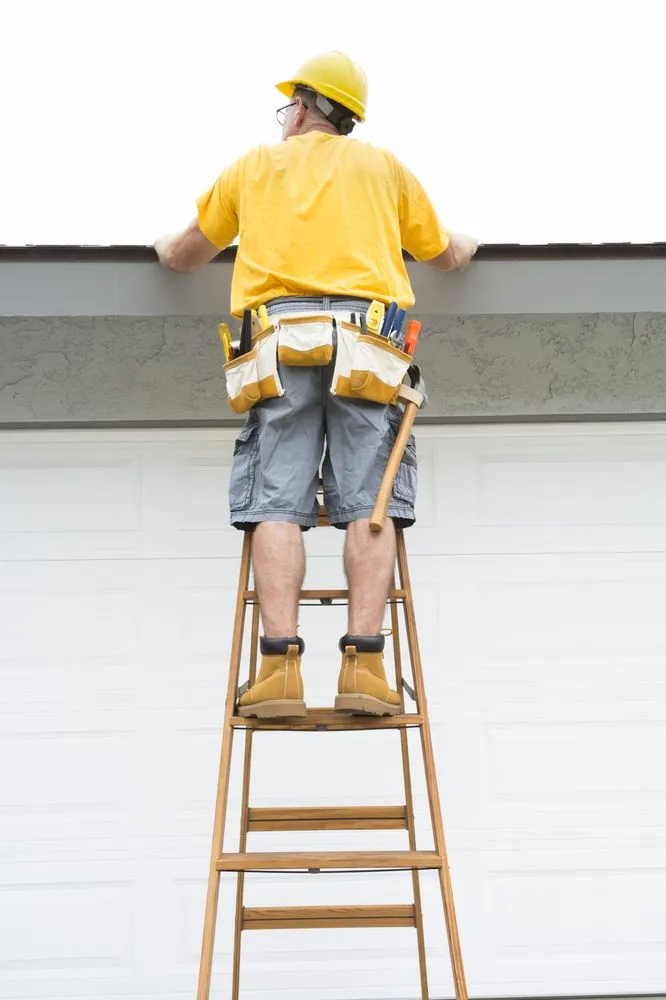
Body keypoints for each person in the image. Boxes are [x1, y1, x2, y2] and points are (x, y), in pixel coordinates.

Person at [155, 51, 478, 720]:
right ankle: (364, 668)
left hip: (279, 341)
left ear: (303, 108)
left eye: (287, 109)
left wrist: (162, 249)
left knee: (277, 495)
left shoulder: (254, 167)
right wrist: (465, 246)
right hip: (367, 343)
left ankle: (278, 671)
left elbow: (189, 250)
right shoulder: (384, 169)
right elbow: (442, 252)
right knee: (371, 503)